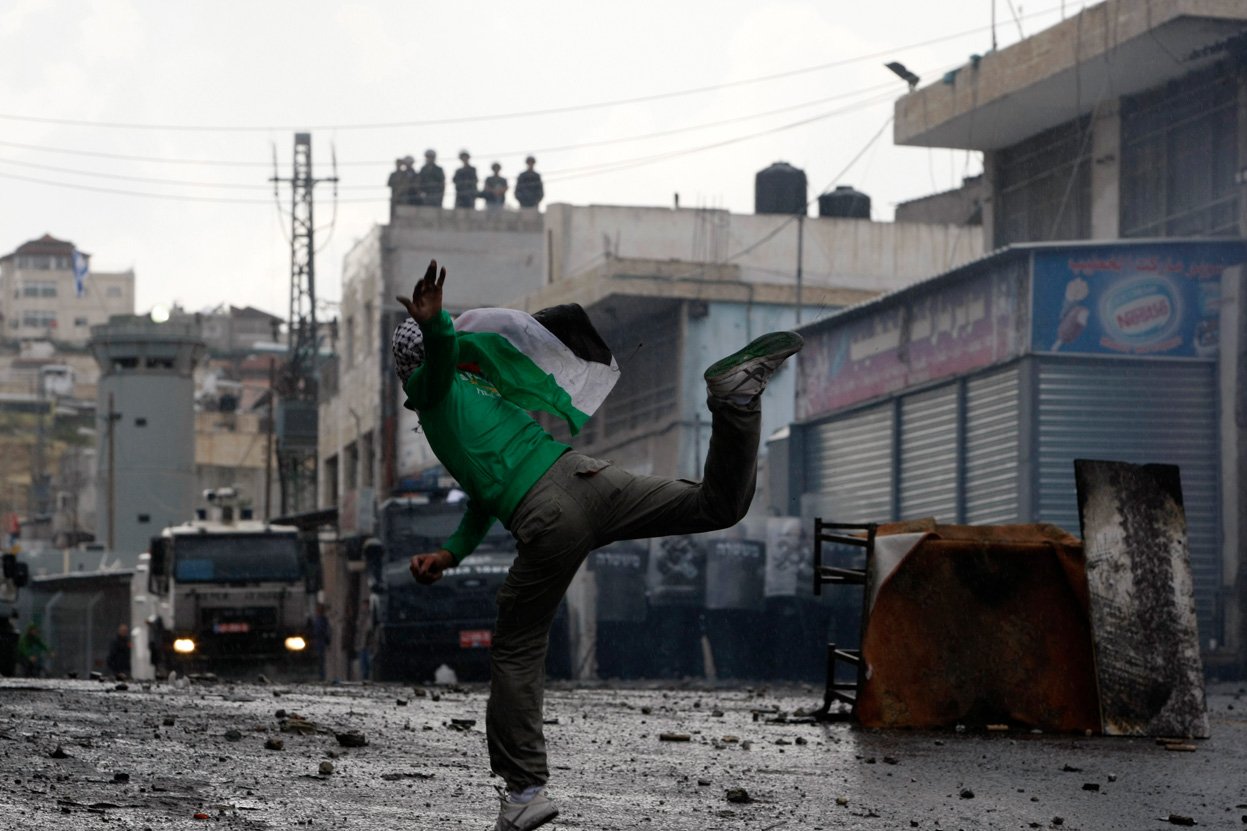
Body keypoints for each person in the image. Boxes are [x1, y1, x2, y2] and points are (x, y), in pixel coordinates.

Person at [395, 259, 802, 831]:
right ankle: (735, 402)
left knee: (516, 647)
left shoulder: (433, 390)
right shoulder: (471, 392)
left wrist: (434, 326)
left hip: (550, 513)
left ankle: (524, 792)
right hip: (587, 479)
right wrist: (451, 554)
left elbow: (436, 367)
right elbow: (484, 493)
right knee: (717, 505)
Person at [310, 602, 331, 681]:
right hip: (319, 641)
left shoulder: (321, 619)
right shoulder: (319, 619)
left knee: (321, 660)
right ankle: (320, 676)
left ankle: (321, 677)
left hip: (320, 641)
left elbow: (323, 631)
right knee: (320, 660)